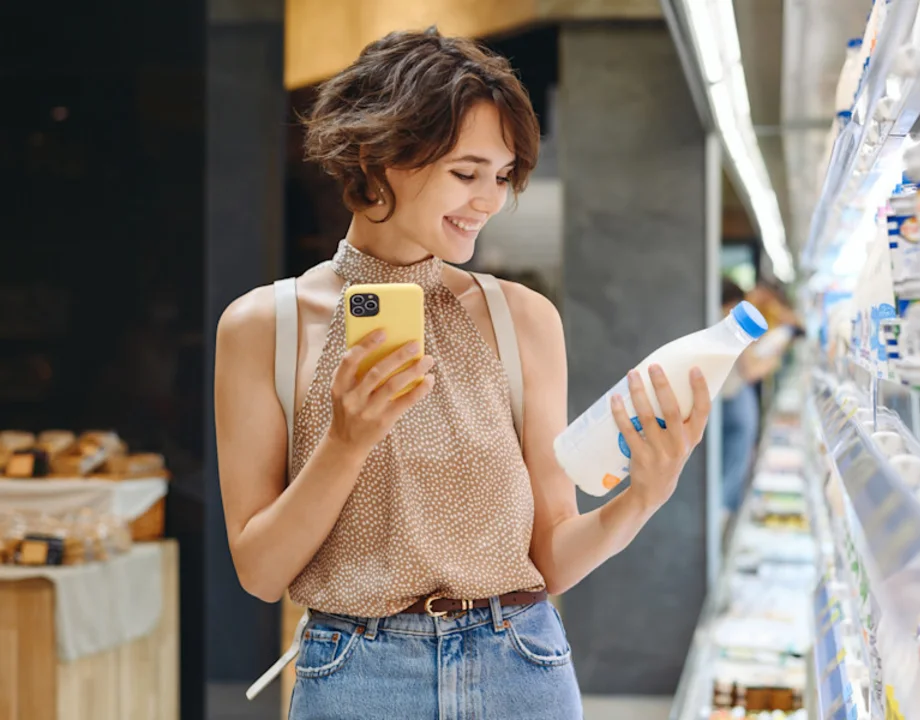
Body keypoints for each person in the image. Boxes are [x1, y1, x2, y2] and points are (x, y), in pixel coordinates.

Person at [213, 29, 712, 720]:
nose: (488, 199)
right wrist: (345, 443)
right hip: (356, 678)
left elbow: (554, 556)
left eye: (503, 175)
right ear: (377, 154)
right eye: (465, 171)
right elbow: (261, 573)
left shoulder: (522, 320)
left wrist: (642, 499)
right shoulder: (264, 327)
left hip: (521, 666)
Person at [719, 279, 783, 520]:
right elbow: (750, 370)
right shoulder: (730, 323)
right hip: (734, 399)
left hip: (724, 401)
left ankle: (722, 513)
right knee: (733, 463)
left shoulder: (710, 321)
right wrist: (772, 360)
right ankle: (723, 514)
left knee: (728, 461)